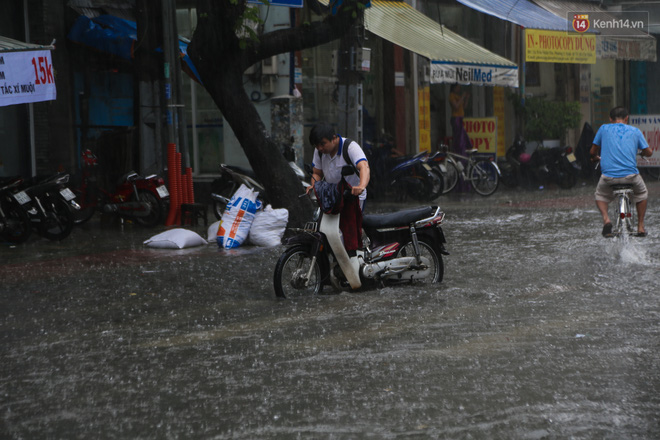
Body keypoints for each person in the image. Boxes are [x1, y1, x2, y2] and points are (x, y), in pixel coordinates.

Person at [590, 106, 652, 237]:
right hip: (631, 177)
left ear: (610, 119)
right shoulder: (635, 131)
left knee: (600, 195)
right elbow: (649, 152)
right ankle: (640, 226)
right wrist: (641, 153)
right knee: (642, 193)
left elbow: (592, 151)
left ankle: (606, 220)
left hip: (608, 177)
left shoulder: (603, 128)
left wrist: (595, 157)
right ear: (626, 118)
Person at [307, 122, 370, 211]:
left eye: (322, 144)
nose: (320, 148)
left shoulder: (350, 147)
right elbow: (317, 173)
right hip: (331, 197)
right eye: (317, 145)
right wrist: (314, 187)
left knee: (350, 224)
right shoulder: (319, 152)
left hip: (353, 198)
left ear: (333, 138)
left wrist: (361, 186)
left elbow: (364, 167)